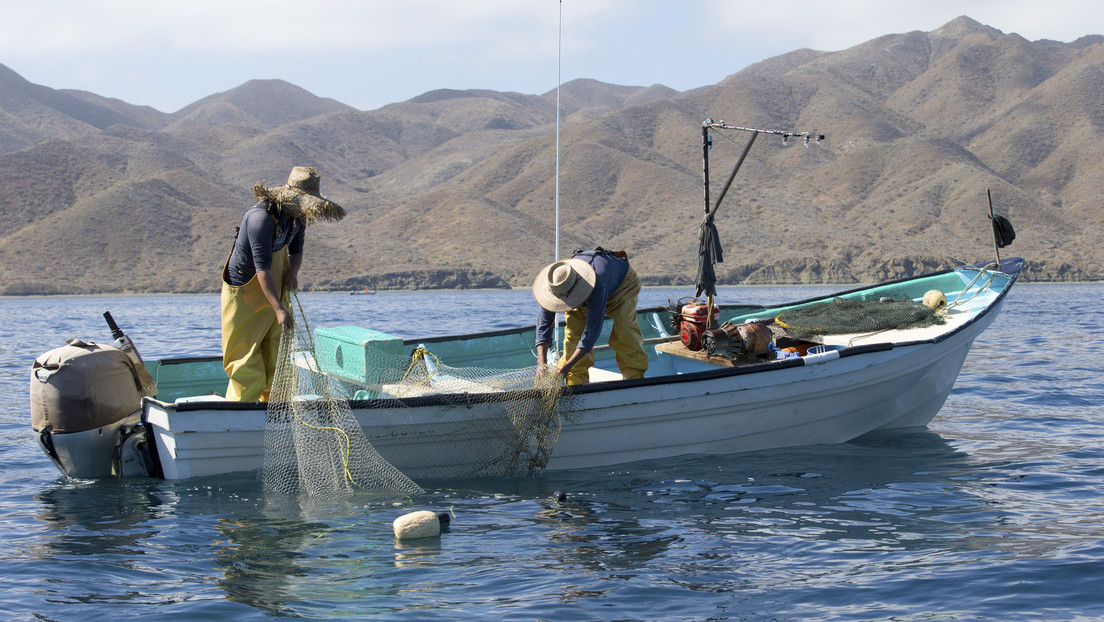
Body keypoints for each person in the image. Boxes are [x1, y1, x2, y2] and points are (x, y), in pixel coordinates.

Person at [220, 166, 345, 401]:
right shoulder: (261, 219)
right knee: (245, 355)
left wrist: (293, 272)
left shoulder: (297, 218)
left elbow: (296, 250)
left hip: (273, 285)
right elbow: (261, 267)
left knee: (276, 351)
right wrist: (278, 308)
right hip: (246, 288)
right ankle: (242, 408)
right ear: (290, 198)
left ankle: (274, 406)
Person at [533, 248, 648, 385]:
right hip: (585, 287)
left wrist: (568, 365)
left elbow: (591, 333)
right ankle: (575, 383)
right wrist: (541, 363)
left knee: (625, 332)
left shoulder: (598, 287)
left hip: (622, 286)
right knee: (573, 336)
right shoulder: (555, 287)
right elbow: (543, 328)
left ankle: (634, 379)